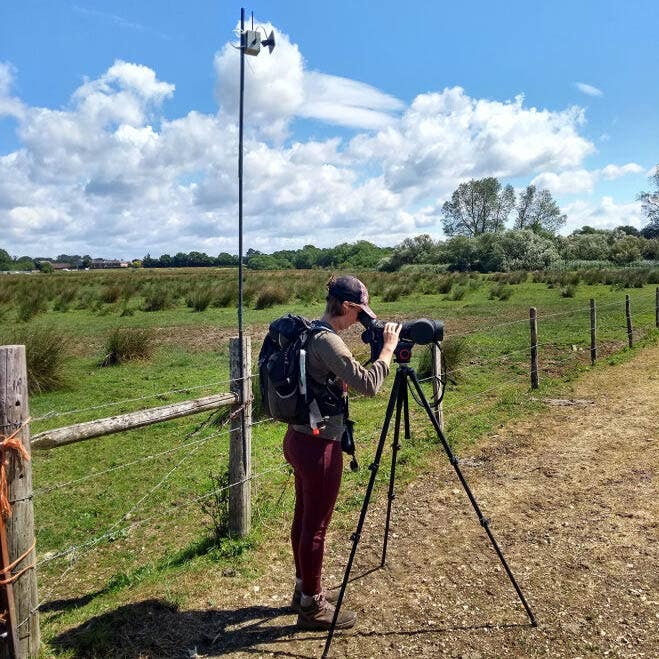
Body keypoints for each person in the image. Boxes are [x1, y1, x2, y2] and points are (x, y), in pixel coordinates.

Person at [284, 274, 401, 630]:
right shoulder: (329, 342)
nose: (361, 320)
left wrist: (336, 383)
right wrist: (388, 349)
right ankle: (312, 608)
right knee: (315, 527)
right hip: (318, 446)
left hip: (299, 439)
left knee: (305, 519)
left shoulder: (311, 331)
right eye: (360, 312)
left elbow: (317, 380)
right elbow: (369, 385)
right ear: (347, 306)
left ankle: (306, 589)